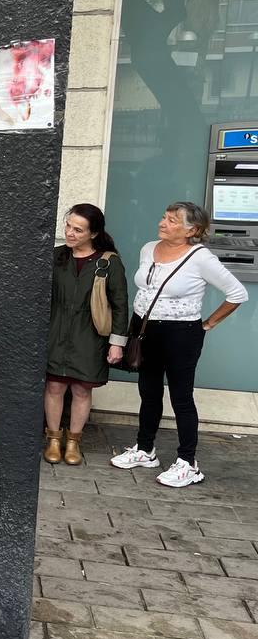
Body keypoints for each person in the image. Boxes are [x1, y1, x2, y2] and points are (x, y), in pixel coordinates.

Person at [110, 201, 248, 488]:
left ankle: (188, 462)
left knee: (181, 397)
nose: (163, 223)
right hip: (144, 329)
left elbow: (237, 293)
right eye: (164, 217)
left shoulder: (201, 257)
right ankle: (145, 449)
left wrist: (206, 325)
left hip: (180, 334)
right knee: (148, 391)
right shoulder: (148, 248)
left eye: (173, 220)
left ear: (192, 229)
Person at [45, 204, 129, 465]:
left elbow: (120, 304)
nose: (69, 233)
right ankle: (53, 439)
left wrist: (117, 344)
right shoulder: (56, 257)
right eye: (68, 226)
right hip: (56, 333)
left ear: (93, 233)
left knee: (82, 390)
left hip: (90, 335)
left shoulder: (108, 262)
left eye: (77, 229)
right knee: (54, 386)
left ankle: (73, 442)